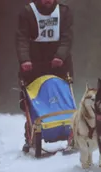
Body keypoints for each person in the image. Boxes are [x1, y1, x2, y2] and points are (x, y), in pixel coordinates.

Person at [15, 0, 74, 149]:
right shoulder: (28, 11)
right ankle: (31, 134)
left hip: (59, 60)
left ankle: (71, 131)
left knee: (61, 95)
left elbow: (67, 37)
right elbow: (22, 38)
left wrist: (60, 56)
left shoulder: (64, 11)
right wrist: (25, 59)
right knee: (32, 98)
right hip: (34, 61)